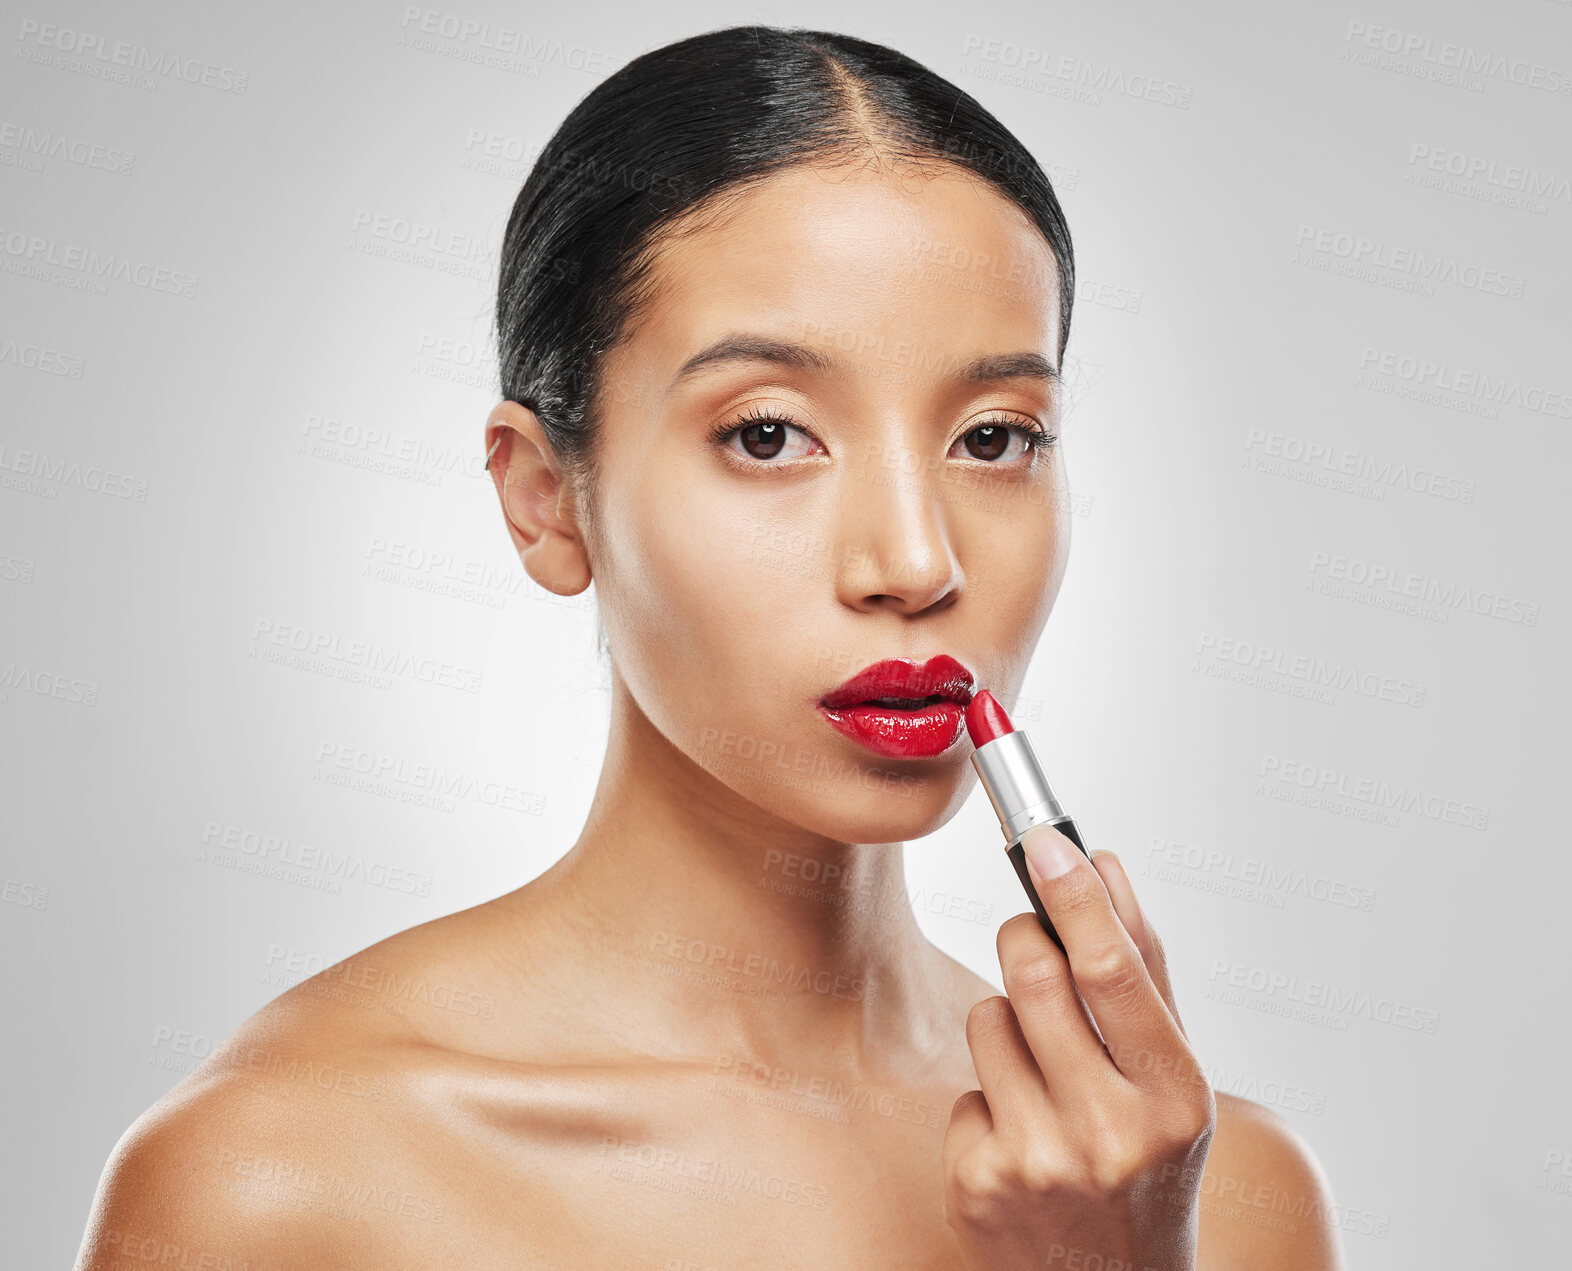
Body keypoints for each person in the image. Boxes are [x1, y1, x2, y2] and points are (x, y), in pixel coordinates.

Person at [74, 25, 1343, 1270]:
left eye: (995, 436)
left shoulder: (1203, 1197)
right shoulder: (279, 1184)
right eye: (771, 433)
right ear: (545, 497)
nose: (915, 562)